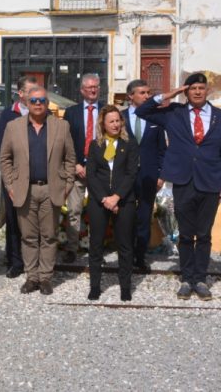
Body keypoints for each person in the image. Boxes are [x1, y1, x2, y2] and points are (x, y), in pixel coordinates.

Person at [136, 72, 221, 301]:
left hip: (210, 181)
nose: (197, 92)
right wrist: (168, 94)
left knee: (203, 234)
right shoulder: (174, 113)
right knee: (185, 234)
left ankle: (200, 279)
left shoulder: (218, 116)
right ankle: (186, 278)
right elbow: (141, 111)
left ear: (207, 90)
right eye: (192, 88)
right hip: (183, 181)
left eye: (201, 88)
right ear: (186, 91)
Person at [0, 86, 76, 295]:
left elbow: (70, 158)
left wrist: (67, 184)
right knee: (29, 237)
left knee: (49, 236)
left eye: (42, 100)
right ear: (26, 102)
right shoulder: (13, 127)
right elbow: (5, 158)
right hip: (25, 190)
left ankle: (45, 278)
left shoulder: (61, 126)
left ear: (47, 102)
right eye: (33, 100)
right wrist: (10, 185)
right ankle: (32, 277)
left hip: (51, 189)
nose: (38, 104)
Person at [85, 105, 139, 302]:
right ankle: (95, 286)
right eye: (111, 121)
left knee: (125, 245)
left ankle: (125, 286)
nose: (116, 124)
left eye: (118, 120)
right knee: (96, 244)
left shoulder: (130, 143)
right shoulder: (95, 145)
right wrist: (104, 198)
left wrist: (116, 197)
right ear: (103, 124)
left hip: (124, 200)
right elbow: (91, 175)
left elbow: (131, 173)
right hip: (99, 201)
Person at [122, 79, 166, 271]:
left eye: (149, 93)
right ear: (130, 96)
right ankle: (126, 255)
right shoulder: (120, 118)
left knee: (144, 216)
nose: (147, 96)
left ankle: (140, 257)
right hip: (125, 176)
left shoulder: (156, 118)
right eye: (142, 93)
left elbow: (162, 150)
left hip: (149, 176)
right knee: (125, 217)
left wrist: (161, 175)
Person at [0, 75, 38, 279]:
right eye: (31, 91)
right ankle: (15, 261)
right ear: (21, 94)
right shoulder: (8, 114)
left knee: (34, 218)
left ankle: (34, 259)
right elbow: (2, 147)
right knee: (13, 220)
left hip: (37, 175)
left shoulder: (41, 112)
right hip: (14, 176)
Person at [62, 73, 103, 263]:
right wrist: (75, 164)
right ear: (82, 90)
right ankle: (72, 248)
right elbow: (66, 141)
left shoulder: (106, 111)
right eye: (89, 87)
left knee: (98, 213)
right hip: (76, 169)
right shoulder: (71, 112)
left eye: (96, 86)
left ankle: (97, 250)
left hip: (99, 171)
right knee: (73, 211)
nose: (93, 90)